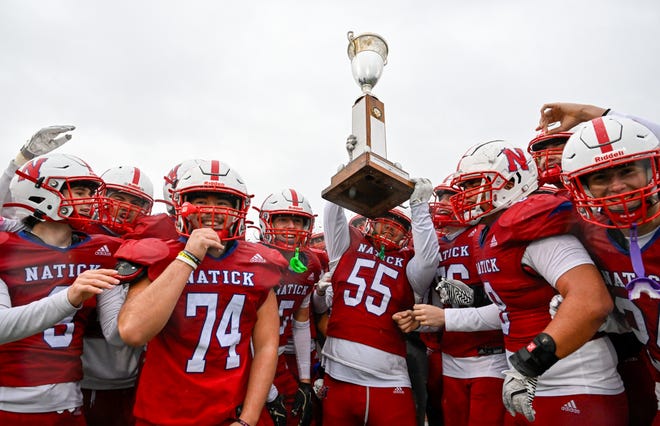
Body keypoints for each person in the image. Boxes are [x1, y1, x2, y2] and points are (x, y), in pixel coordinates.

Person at [398, 140, 627, 425]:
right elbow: (509, 309)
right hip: (531, 385)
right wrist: (447, 317)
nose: (465, 195)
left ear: (513, 182)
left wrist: (527, 365)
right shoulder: (491, 233)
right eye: (465, 186)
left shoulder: (532, 225)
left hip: (575, 384)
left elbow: (592, 301)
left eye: (475, 184)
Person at [116, 159, 287, 426]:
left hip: (229, 411)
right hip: (164, 413)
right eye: (201, 200)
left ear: (239, 209)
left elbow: (266, 345)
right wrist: (188, 257)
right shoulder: (160, 254)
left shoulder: (259, 263)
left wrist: (248, 419)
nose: (211, 210)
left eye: (222, 202)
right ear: (181, 205)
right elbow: (133, 332)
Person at [0, 153, 121, 424]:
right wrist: (70, 296)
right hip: (9, 402)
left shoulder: (101, 249)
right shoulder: (6, 246)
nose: (90, 201)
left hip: (69, 401)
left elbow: (118, 332)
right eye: (79, 192)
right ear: (40, 194)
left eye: (90, 192)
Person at [560, 115, 660, 425]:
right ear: (583, 186)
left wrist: (604, 112)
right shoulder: (590, 236)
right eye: (601, 177)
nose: (617, 186)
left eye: (627, 170)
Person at [320, 177, 439, 426]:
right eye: (385, 222)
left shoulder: (410, 266)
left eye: (398, 226)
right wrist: (346, 179)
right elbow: (332, 211)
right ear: (370, 222)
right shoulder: (346, 246)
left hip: (389, 378)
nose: (390, 229)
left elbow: (429, 259)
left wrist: (419, 207)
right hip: (338, 374)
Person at [425, 176, 508, 426]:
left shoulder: (483, 233)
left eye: (450, 196)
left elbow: (503, 302)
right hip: (451, 351)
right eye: (439, 197)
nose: (442, 203)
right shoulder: (432, 244)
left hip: (489, 353)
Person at [257, 188, 323, 426]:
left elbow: (301, 322)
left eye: (298, 221)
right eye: (283, 219)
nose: (291, 227)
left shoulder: (310, 263)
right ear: (267, 221)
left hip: (279, 359)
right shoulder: (252, 259)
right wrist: (268, 391)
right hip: (246, 361)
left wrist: (305, 381)